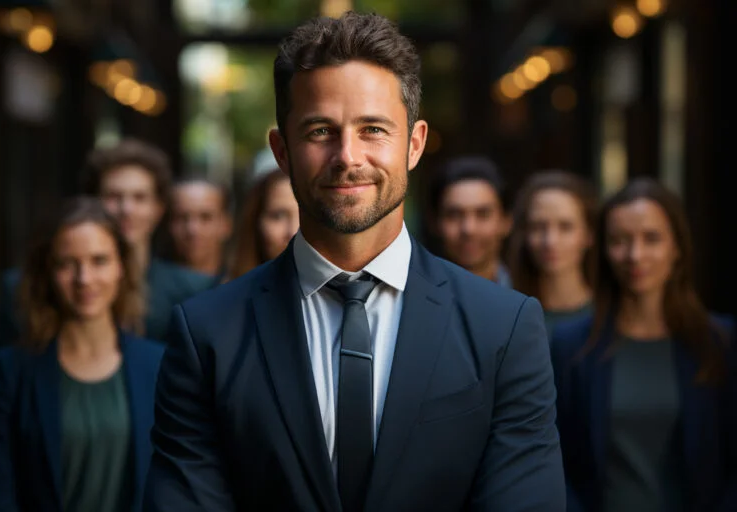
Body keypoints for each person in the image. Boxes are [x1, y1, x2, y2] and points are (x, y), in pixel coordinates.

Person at [144, 12, 564, 512]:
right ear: (282, 151)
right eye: (320, 130)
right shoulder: (206, 333)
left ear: (414, 143)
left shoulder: (504, 328)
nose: (348, 156)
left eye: (373, 129)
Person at [551, 177, 737, 512]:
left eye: (651, 238)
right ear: (604, 249)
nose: (635, 255)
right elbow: (556, 462)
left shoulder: (720, 343)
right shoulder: (571, 347)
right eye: (620, 240)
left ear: (677, 247)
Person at [0, 197, 165, 511]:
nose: (84, 279)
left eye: (99, 260)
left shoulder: (159, 364)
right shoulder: (11, 370)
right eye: (67, 264)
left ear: (121, 266)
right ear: (47, 272)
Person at [0, 139, 215, 345]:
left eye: (139, 197)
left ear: (158, 209)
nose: (126, 209)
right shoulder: (23, 289)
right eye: (113, 196)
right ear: (90, 203)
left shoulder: (195, 291)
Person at [507, 171, 597, 338]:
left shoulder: (608, 317)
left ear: (589, 234)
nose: (550, 241)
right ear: (524, 233)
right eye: (538, 227)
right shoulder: (506, 316)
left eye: (565, 227)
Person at [427, 156, 513, 286]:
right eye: (454, 215)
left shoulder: (534, 298)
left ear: (506, 222)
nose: (468, 229)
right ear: (434, 223)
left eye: (483, 214)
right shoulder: (406, 298)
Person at [227, 168, 299, 280]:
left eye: (306, 215)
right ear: (256, 221)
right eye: (278, 216)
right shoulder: (226, 295)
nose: (293, 231)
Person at [168, 178, 233, 281]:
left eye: (205, 217)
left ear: (226, 225)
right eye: (182, 217)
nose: (192, 229)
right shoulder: (146, 287)